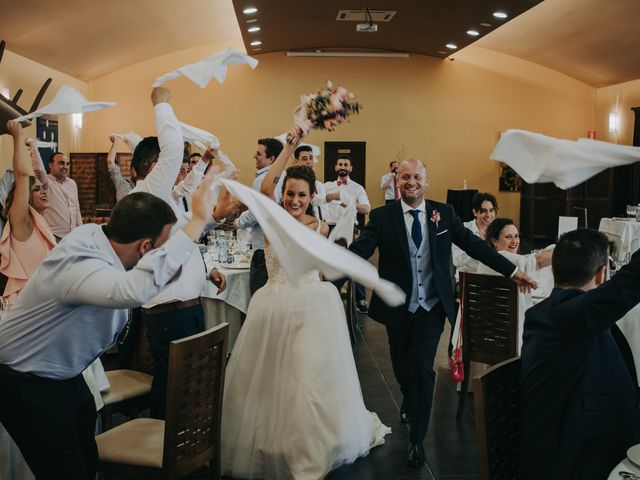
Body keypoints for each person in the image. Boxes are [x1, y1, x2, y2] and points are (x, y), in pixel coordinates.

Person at [0, 166, 220, 480]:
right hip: (24, 381)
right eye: (160, 250)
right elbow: (133, 291)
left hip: (65, 374)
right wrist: (196, 221)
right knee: (65, 471)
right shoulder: (80, 266)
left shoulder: (99, 235)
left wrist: (207, 214)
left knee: (86, 462)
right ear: (144, 247)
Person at [349, 159, 536, 468]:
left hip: (431, 307)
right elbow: (361, 251)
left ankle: (416, 440)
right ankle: (409, 400)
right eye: (405, 176)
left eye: (417, 176)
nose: (411, 181)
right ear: (398, 181)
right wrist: (330, 270)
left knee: (423, 368)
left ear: (426, 180)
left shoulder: (444, 213)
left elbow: (478, 248)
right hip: (398, 307)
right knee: (402, 367)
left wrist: (512, 271)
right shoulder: (383, 217)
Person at [222, 138, 389, 477]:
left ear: (311, 197)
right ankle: (273, 442)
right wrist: (290, 145)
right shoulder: (273, 220)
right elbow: (266, 183)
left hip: (313, 308)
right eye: (290, 194)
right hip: (274, 305)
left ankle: (308, 447)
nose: (294, 200)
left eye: (301, 195)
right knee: (271, 378)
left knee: (307, 379)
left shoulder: (321, 226)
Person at [129, 86, 228, 419]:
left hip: (180, 308)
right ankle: (163, 453)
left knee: (178, 386)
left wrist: (204, 273)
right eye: (172, 164)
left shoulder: (161, 198)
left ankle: (167, 449)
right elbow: (172, 147)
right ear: (156, 166)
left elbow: (187, 227)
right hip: (172, 313)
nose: (180, 168)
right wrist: (161, 104)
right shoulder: (150, 191)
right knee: (174, 388)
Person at [519, 229, 640, 479]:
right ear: (601, 274)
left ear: (553, 270)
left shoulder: (551, 314)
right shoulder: (570, 317)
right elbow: (630, 283)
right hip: (573, 463)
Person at [0, 122, 56, 307]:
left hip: (42, 302)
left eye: (42, 188)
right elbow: (22, 176)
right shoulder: (21, 221)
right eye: (36, 189)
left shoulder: (41, 222)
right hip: (25, 305)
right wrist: (18, 136)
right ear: (25, 197)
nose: (43, 191)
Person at [234, 137, 283, 294]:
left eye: (259, 154)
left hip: (263, 248)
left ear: (272, 158)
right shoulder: (285, 175)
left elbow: (258, 213)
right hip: (280, 247)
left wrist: (238, 222)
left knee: (258, 296)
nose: (255, 156)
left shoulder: (263, 179)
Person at [324, 154, 371, 312]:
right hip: (329, 229)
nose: (343, 167)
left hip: (350, 229)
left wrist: (352, 204)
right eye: (340, 164)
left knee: (354, 260)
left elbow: (366, 209)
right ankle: (327, 292)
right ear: (336, 167)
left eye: (346, 164)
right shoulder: (326, 186)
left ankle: (361, 298)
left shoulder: (357, 188)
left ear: (350, 168)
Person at [35, 150, 82, 241]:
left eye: (67, 164)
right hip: (54, 235)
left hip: (73, 236)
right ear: (51, 165)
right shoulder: (45, 183)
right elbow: (39, 170)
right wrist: (33, 146)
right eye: (61, 163)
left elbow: (76, 208)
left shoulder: (72, 183)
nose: (65, 167)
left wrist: (80, 231)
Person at [452, 192, 498, 268]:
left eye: (491, 210)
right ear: (475, 212)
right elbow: (455, 260)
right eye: (484, 211)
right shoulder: (462, 229)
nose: (488, 215)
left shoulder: (498, 230)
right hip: (467, 277)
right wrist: (476, 248)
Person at [106, 135, 135, 201]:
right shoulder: (150, 185)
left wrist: (115, 142)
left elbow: (110, 162)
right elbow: (110, 162)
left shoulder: (123, 184)